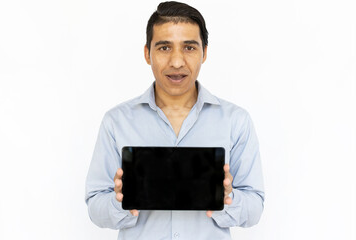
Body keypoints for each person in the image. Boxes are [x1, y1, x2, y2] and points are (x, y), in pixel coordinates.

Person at [85, 1, 265, 239]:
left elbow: (255, 207)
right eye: (164, 48)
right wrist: (121, 201)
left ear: (205, 52)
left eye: (189, 48)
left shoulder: (236, 121)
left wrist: (227, 198)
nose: (177, 62)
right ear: (147, 53)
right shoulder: (117, 121)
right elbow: (95, 205)